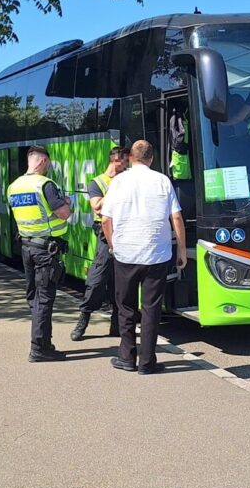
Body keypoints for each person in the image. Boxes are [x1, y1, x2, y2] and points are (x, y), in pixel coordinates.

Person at [101, 140, 187, 375]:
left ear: (130, 158)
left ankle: (126, 358)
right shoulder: (162, 181)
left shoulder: (118, 182)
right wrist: (181, 251)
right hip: (156, 255)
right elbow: (176, 218)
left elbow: (105, 220)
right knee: (151, 309)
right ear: (151, 159)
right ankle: (147, 362)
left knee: (126, 307)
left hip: (126, 254)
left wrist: (112, 244)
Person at [5, 145, 72, 363]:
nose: (49, 167)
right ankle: (39, 348)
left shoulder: (13, 186)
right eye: (48, 163)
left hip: (26, 247)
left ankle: (44, 343)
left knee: (34, 297)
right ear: (43, 161)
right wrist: (68, 205)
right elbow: (62, 214)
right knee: (44, 298)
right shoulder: (45, 184)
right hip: (45, 250)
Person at [70, 145, 130, 341]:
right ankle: (83, 320)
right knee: (97, 279)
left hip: (125, 231)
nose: (128, 166)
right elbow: (96, 206)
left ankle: (116, 325)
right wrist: (115, 188)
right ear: (117, 161)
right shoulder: (98, 182)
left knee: (120, 282)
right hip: (106, 234)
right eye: (126, 162)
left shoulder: (127, 180)